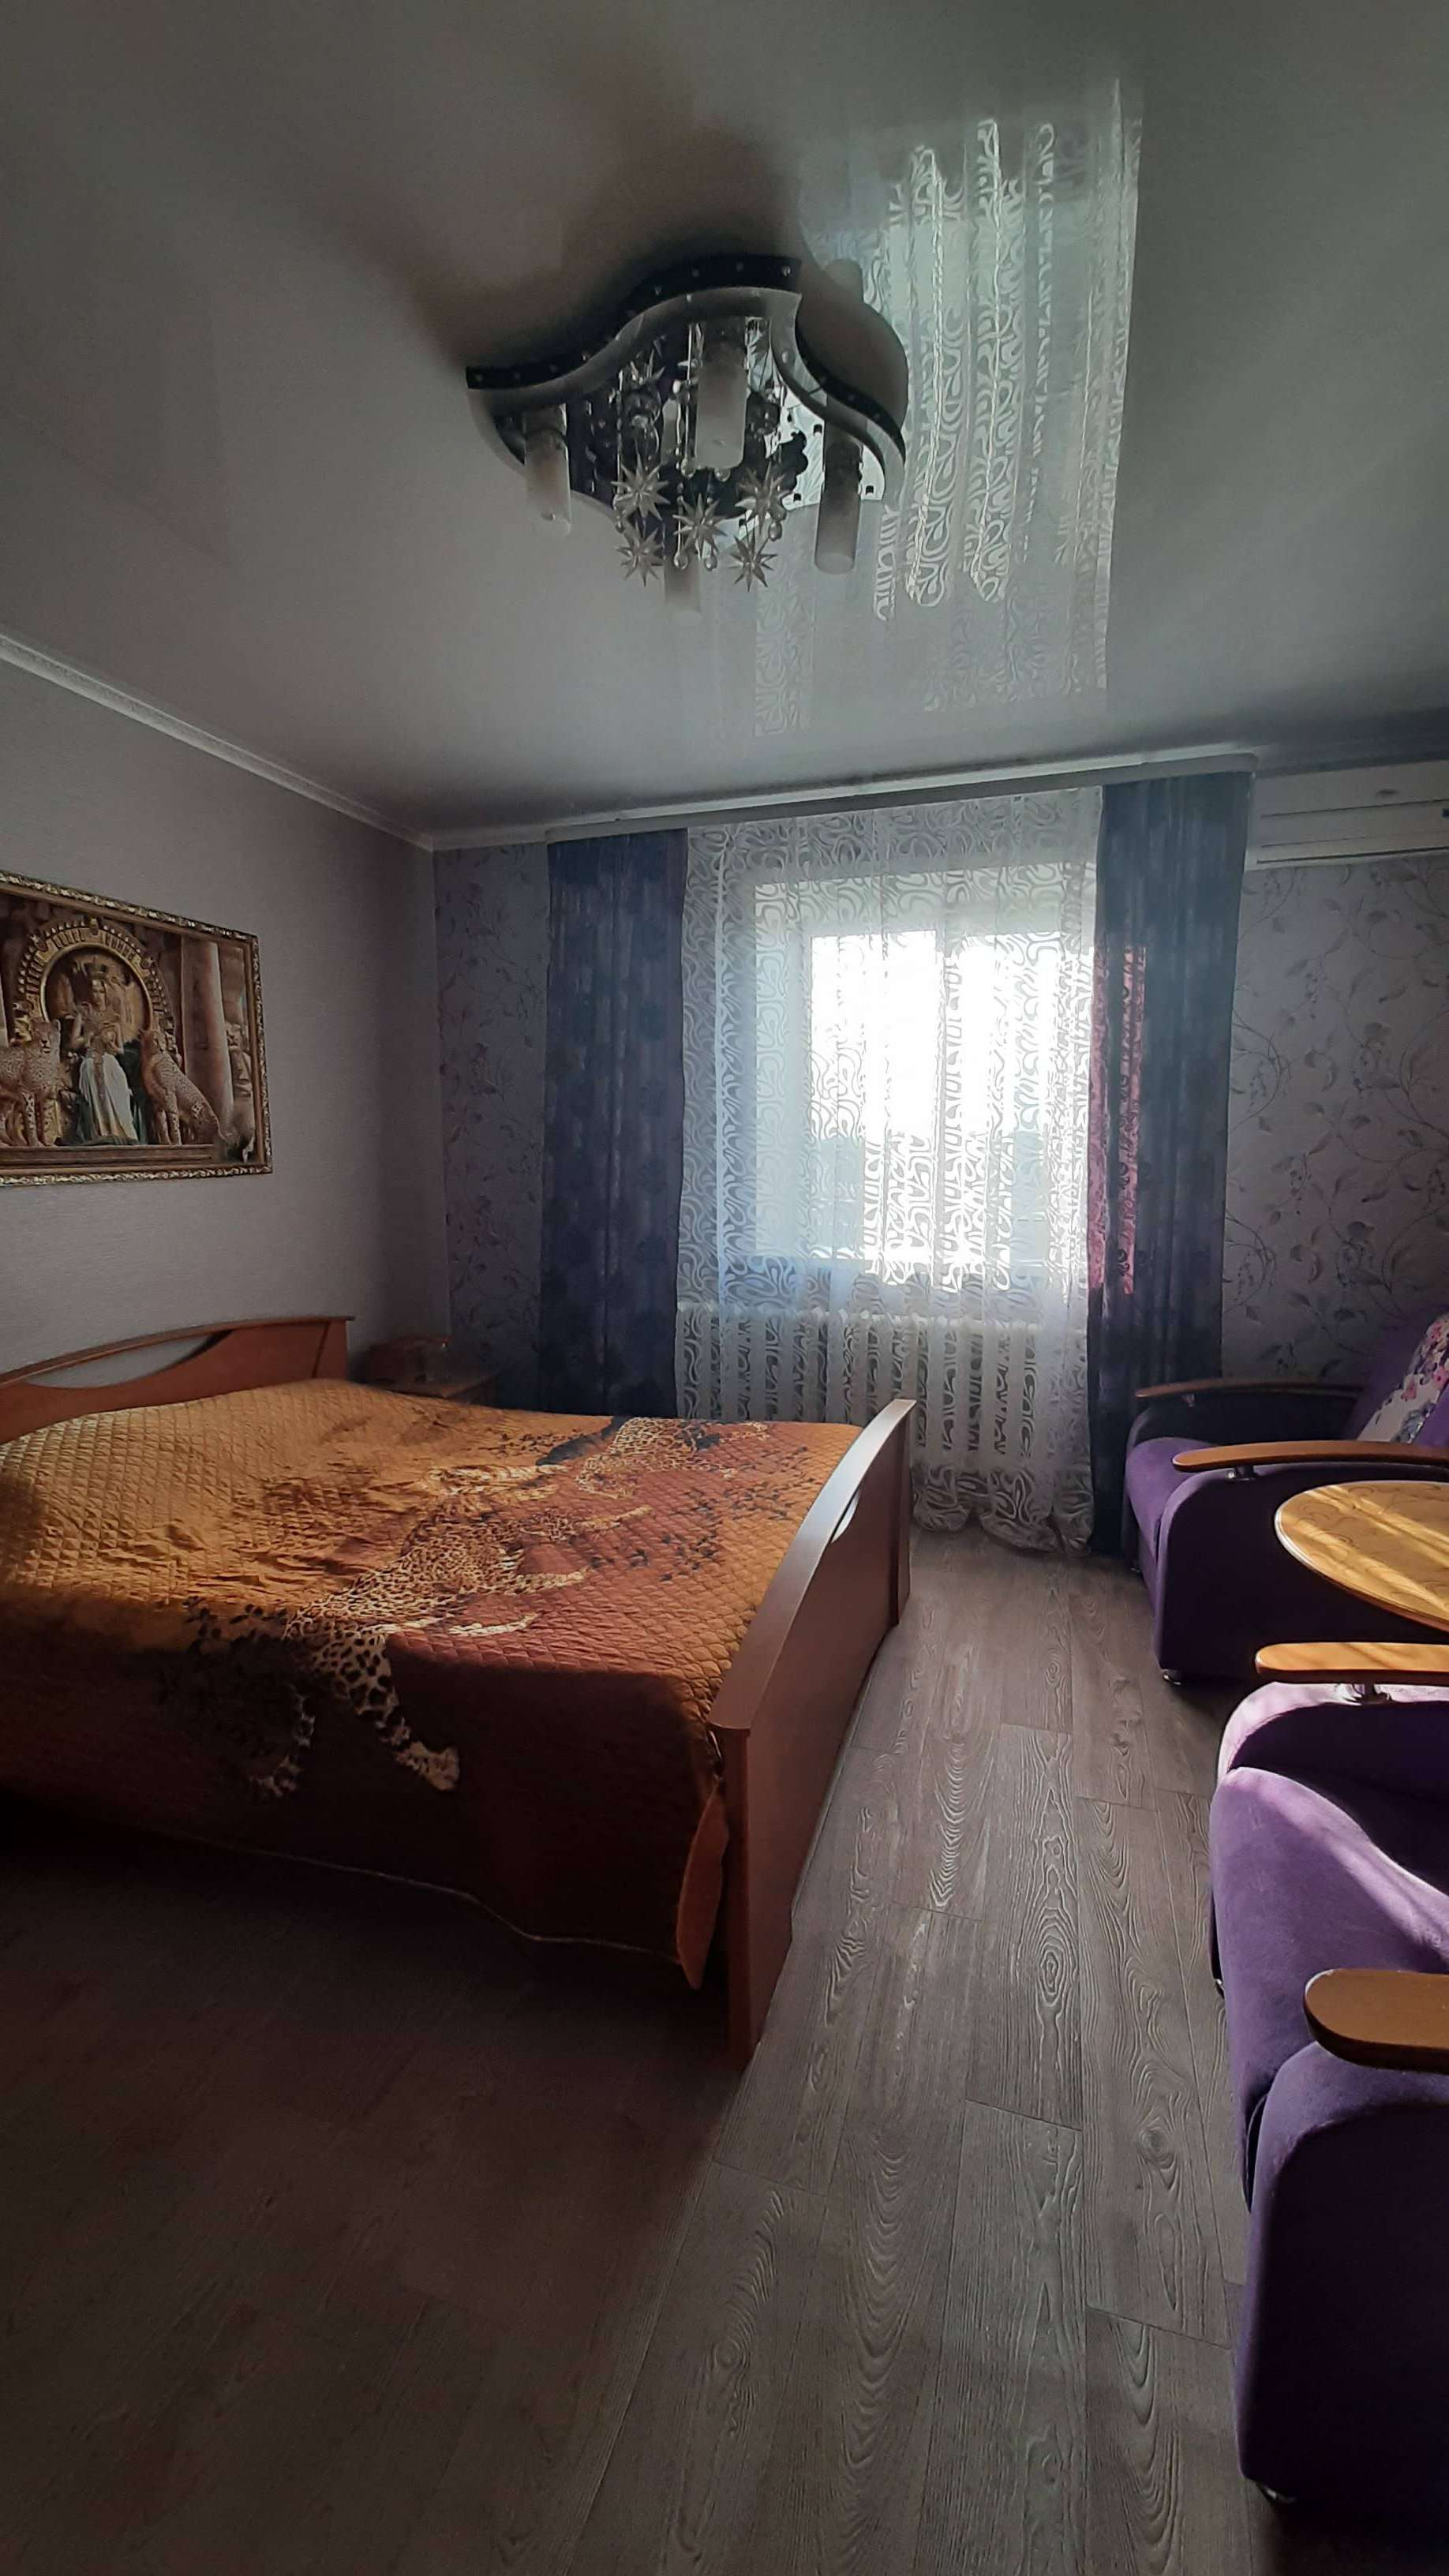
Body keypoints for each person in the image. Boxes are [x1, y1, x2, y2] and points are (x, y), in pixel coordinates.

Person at [60, 951, 148, 1144]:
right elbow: (72, 1044)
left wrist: (111, 1046)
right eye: (94, 991)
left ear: (106, 991)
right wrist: (88, 1036)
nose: (97, 995)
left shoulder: (114, 1019)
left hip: (110, 1062)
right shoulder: (83, 1014)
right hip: (90, 1062)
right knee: (95, 1098)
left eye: (100, 991)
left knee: (119, 1096)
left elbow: (120, 1050)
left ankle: (123, 1134)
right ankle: (101, 1134)